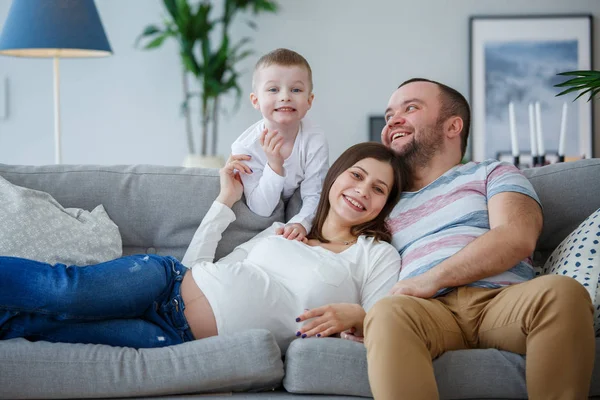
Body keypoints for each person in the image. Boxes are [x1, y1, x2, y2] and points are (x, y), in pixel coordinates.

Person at [0, 142, 404, 352]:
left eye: (378, 188)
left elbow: (389, 326)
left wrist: (358, 315)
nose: (361, 190)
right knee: (64, 290)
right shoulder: (285, 231)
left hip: (174, 336)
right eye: (357, 175)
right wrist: (225, 200)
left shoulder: (374, 255)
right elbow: (197, 265)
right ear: (336, 176)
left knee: (40, 327)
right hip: (165, 282)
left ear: (385, 204)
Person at [361, 78, 595, 400]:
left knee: (561, 292)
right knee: (387, 313)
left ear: (452, 125)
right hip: (427, 311)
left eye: (410, 108)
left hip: (500, 302)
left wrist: (432, 278)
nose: (393, 121)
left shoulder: (492, 172)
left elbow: (517, 236)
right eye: (389, 116)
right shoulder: (383, 200)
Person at [231, 48, 328, 242]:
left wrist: (301, 222)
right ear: (256, 100)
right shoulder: (245, 147)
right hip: (257, 214)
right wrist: (275, 165)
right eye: (273, 89)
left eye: (296, 90)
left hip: (296, 201)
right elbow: (261, 208)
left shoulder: (315, 138)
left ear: (309, 101)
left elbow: (315, 192)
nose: (285, 97)